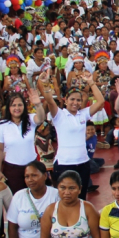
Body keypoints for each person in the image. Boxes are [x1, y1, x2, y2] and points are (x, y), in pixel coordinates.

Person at [39, 70, 105, 199]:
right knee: (64, 199)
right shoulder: (59, 114)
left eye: (78, 100)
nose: (75, 102)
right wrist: (46, 84)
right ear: (65, 100)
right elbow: (49, 100)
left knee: (82, 198)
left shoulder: (83, 114)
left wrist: (91, 82)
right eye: (72, 99)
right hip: (64, 164)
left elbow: (100, 101)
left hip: (83, 163)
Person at [0, 91, 45, 194]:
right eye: (13, 105)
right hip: (12, 169)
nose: (17, 108)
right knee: (16, 198)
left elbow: (40, 118)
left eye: (19, 105)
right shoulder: (1, 126)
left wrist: (38, 104)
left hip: (32, 166)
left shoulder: (30, 119)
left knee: (35, 195)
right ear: (8, 107)